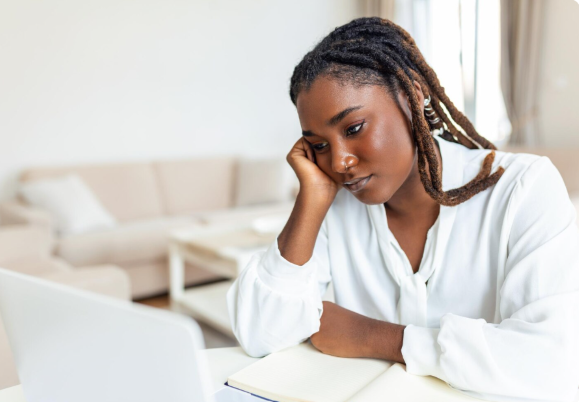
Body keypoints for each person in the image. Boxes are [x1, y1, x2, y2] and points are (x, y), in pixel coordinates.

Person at [226, 17, 579, 402]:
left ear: (412, 94)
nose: (339, 161)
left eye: (354, 127)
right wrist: (310, 199)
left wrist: (376, 337)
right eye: (320, 146)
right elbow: (262, 334)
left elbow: (555, 363)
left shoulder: (522, 189)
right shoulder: (333, 206)